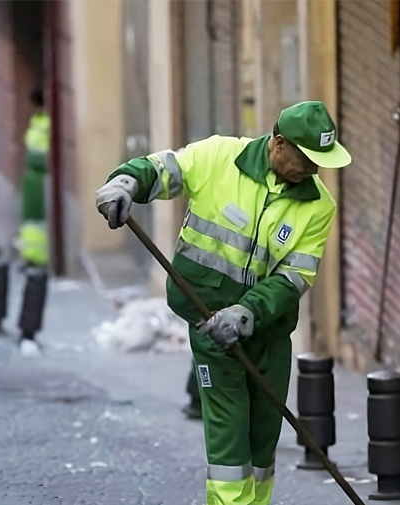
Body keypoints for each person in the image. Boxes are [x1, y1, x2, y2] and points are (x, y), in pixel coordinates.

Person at [95, 101, 350, 505]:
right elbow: (163, 170)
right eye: (307, 158)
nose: (314, 170)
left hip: (267, 332)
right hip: (209, 323)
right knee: (230, 441)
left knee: (263, 441)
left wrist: (247, 312)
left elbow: (294, 278)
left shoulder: (318, 206)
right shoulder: (219, 157)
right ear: (278, 144)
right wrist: (126, 183)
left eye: (321, 162)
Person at [19, 87, 51, 268]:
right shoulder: (36, 120)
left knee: (39, 217)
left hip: (42, 175)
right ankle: (29, 255)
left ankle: (40, 257)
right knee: (30, 218)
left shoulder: (47, 122)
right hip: (32, 175)